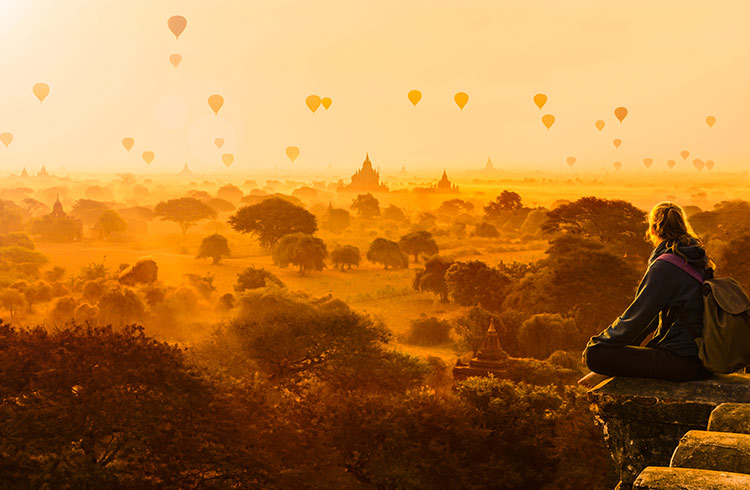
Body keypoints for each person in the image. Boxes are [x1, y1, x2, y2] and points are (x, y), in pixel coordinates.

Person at [578, 201, 714, 388]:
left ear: (653, 229)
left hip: (682, 362)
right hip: (702, 358)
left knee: (596, 355)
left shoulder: (665, 265)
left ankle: (602, 367)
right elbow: (649, 321)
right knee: (609, 351)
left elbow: (637, 318)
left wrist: (598, 344)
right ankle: (604, 371)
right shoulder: (694, 259)